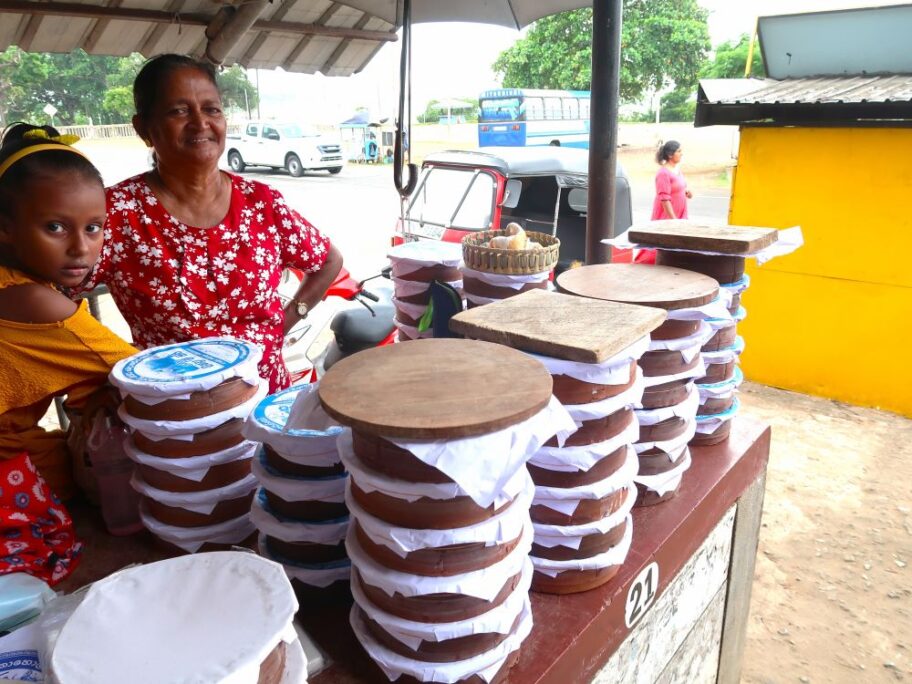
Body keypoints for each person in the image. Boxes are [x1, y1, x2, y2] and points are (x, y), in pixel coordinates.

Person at [79, 54, 343, 393]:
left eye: (211, 109)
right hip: (175, 423)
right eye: (179, 111)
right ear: (144, 128)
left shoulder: (261, 202)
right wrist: (112, 371)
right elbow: (51, 301)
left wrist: (288, 317)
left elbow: (327, 260)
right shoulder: (115, 212)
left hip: (266, 405)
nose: (200, 122)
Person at [0, 123, 136, 502]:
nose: (81, 247)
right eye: (55, 227)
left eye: (93, 228)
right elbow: (140, 373)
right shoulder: (36, 302)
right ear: (5, 228)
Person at [651, 140, 692, 221]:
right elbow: (664, 199)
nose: (682, 154)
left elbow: (678, 188)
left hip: (680, 217)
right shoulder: (663, 173)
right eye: (679, 151)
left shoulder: (677, 170)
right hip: (667, 220)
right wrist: (673, 221)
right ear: (670, 155)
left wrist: (687, 193)